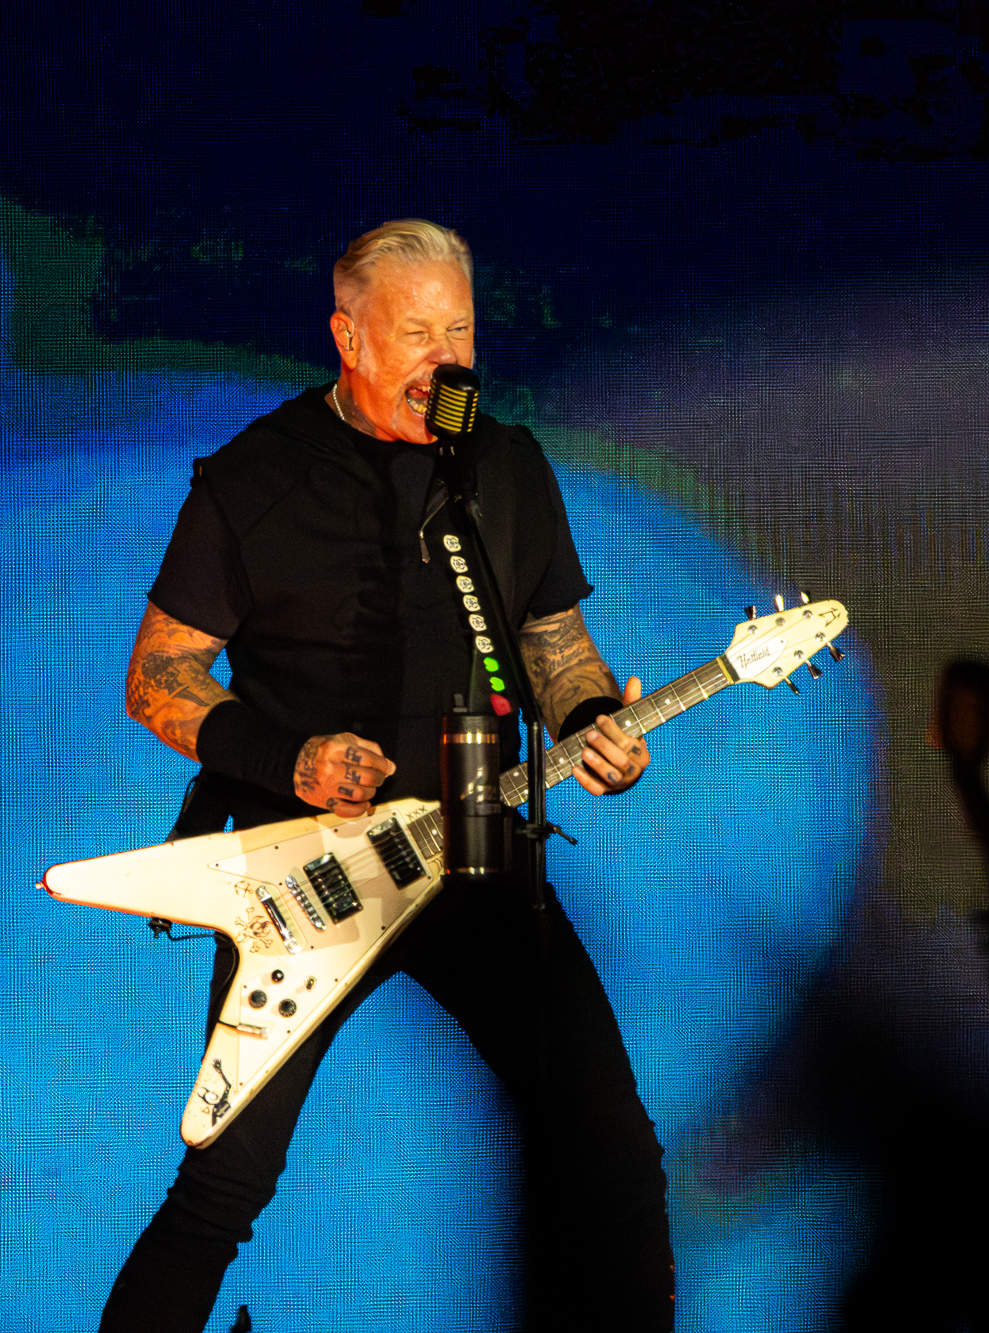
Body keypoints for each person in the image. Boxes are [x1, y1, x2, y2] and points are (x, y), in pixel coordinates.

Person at [103, 219, 674, 1332]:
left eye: (460, 331)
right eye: (416, 334)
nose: (445, 361)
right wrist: (290, 758)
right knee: (224, 1184)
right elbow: (157, 677)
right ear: (348, 338)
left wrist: (594, 720)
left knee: (611, 1152)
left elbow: (555, 645)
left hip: (480, 851)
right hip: (308, 873)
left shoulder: (502, 466)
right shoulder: (256, 478)